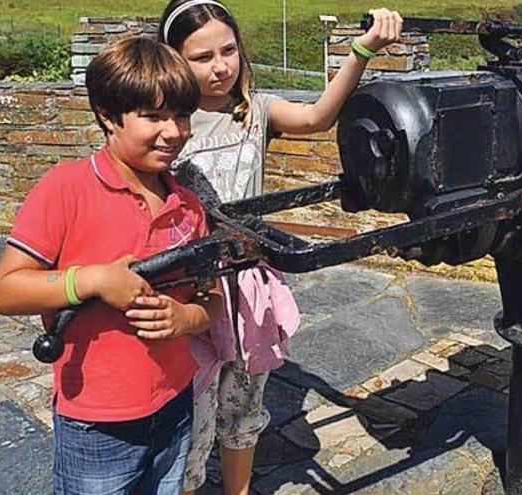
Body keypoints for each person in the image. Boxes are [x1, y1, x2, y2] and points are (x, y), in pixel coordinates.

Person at [157, 1, 403, 493]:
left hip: (249, 286)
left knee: (243, 406)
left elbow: (315, 116)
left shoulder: (256, 111)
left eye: (228, 50)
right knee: (190, 414)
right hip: (188, 290)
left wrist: (361, 51)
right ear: (172, 59)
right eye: (201, 57)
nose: (220, 66)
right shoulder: (165, 125)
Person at [0, 36, 223, 495]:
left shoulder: (190, 205)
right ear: (107, 116)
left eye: (181, 116)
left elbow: (210, 296)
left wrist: (187, 318)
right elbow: (6, 290)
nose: (173, 131)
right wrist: (92, 279)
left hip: (176, 402)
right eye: (153, 117)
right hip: (97, 420)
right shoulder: (66, 189)